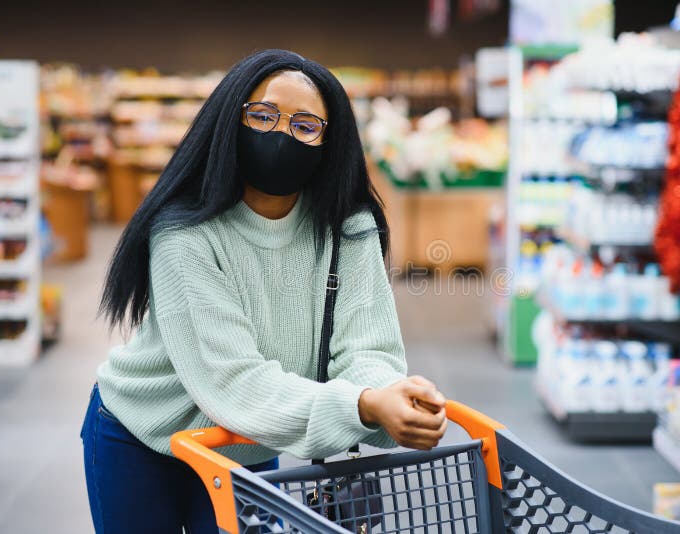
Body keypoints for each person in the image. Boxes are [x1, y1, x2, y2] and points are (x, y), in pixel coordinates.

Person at [81, 48, 448, 534]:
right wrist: (361, 405)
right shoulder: (184, 234)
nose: (282, 135)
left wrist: (384, 393)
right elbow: (232, 382)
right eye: (263, 116)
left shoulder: (348, 229)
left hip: (251, 438)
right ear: (230, 122)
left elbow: (369, 347)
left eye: (304, 126)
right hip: (144, 440)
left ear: (328, 142)